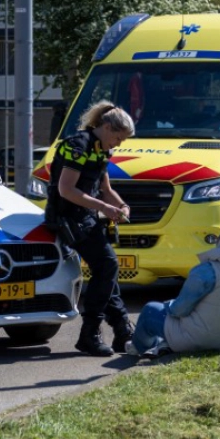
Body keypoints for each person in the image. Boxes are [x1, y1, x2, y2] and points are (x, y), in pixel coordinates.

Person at [45, 101, 136, 357]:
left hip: (86, 216)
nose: (119, 144)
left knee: (106, 270)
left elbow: (105, 189)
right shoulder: (78, 146)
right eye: (118, 138)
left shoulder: (101, 149)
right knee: (107, 265)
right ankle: (91, 333)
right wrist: (104, 208)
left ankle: (121, 330)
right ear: (106, 127)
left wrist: (122, 206)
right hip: (66, 216)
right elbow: (66, 190)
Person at [129, 223, 220, 357]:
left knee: (150, 311)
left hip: (199, 338)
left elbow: (179, 310)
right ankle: (163, 343)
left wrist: (169, 305)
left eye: (219, 238)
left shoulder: (207, 270)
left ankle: (138, 347)